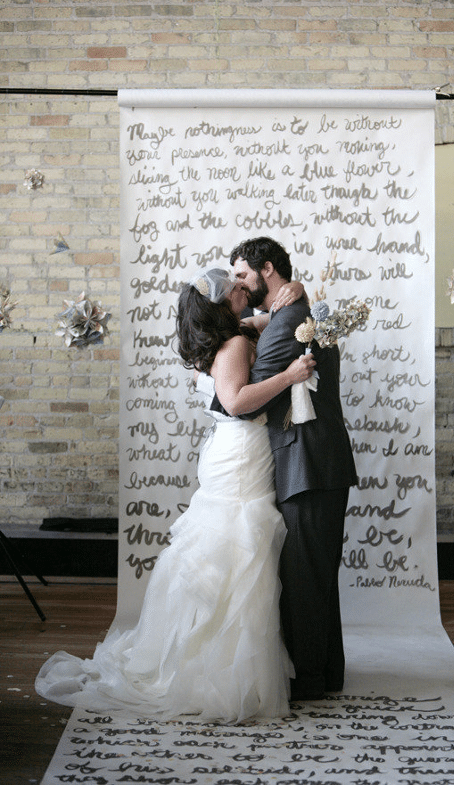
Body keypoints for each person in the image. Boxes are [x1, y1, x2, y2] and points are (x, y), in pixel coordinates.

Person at [35, 268, 315, 723]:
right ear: (224, 304)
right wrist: (290, 375)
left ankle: (211, 658)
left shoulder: (235, 336)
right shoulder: (237, 345)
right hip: (240, 454)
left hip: (231, 453)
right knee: (238, 552)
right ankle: (216, 671)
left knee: (232, 552)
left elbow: (270, 319)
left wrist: (296, 290)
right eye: (237, 289)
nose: (245, 289)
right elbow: (237, 400)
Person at [228, 236, 358, 701]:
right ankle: (326, 673)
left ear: (266, 271)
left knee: (304, 576)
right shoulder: (300, 311)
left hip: (307, 465)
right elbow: (241, 321)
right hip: (320, 462)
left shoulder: (288, 321)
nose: (236, 285)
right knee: (317, 573)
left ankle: (308, 681)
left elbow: (246, 402)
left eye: (242, 275)